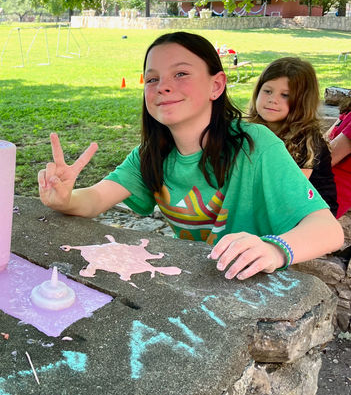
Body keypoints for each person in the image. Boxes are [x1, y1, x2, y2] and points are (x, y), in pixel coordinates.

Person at [38, 32, 343, 280]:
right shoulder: (150, 155)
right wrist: (66, 198)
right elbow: (95, 199)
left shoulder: (255, 144)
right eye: (152, 78)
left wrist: (274, 250)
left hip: (256, 287)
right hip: (199, 281)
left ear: (216, 85)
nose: (164, 87)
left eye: (181, 73)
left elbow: (328, 230)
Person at [247, 57, 338, 217]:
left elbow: (288, 194)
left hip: (310, 215)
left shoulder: (307, 140)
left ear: (302, 102)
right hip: (267, 205)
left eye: (285, 95)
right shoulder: (250, 130)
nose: (272, 100)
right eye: (267, 91)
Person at [326, 95, 351, 218]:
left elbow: (327, 159)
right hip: (319, 181)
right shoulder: (349, 110)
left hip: (328, 193)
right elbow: (324, 139)